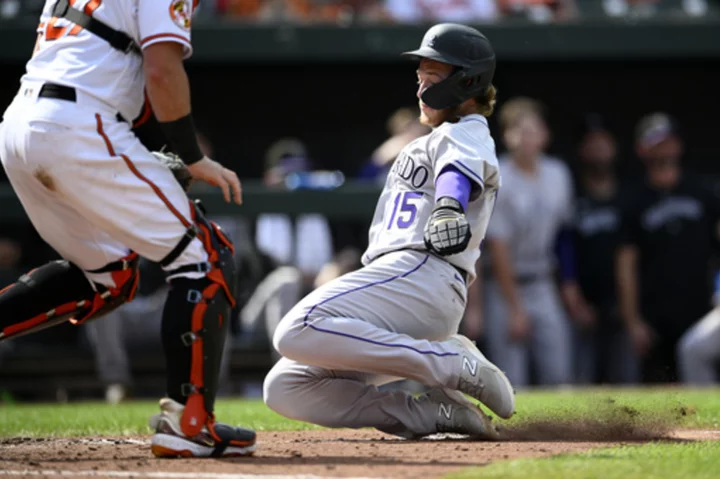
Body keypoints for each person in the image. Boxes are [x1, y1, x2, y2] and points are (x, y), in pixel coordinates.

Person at [0, 0, 255, 457]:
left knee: (109, 276)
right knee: (205, 256)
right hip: (76, 123)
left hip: (23, 124)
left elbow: (112, 66)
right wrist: (193, 157)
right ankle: (189, 423)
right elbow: (161, 72)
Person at [263, 23, 515, 440]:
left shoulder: (467, 131)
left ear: (467, 81)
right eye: (420, 78)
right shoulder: (430, 138)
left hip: (423, 274)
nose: (420, 89)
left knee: (295, 328)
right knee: (285, 387)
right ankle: (427, 415)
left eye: (432, 78)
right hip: (395, 292)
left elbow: (458, 172)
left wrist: (450, 204)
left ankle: (450, 363)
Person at [481, 97, 583, 388]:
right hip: (502, 287)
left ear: (545, 135)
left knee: (560, 373)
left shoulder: (558, 173)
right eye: (520, 130)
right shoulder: (498, 176)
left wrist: (569, 285)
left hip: (542, 282)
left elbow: (564, 236)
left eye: (534, 130)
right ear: (507, 135)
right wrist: (515, 309)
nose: (527, 137)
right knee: (512, 381)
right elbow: (498, 246)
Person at [617, 112, 720, 383]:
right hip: (655, 317)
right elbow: (626, 264)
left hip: (701, 308)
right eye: (656, 143)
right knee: (659, 392)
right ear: (642, 149)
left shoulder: (703, 191)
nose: (664, 149)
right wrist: (633, 321)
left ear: (679, 145)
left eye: (668, 142)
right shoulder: (633, 199)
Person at [571, 115, 638, 384]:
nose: (598, 147)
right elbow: (562, 254)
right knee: (580, 382)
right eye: (591, 142)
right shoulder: (572, 196)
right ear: (581, 150)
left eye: (603, 141)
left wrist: (632, 311)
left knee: (627, 381)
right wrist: (575, 302)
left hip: (623, 306)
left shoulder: (630, 196)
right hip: (582, 307)